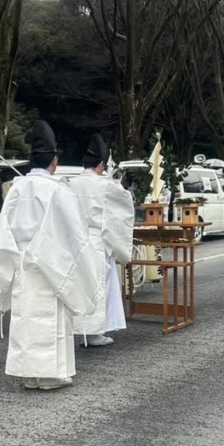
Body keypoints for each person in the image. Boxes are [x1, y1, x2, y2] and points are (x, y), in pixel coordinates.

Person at [0, 120, 99, 390]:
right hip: (52, 262)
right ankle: (51, 375)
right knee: (51, 319)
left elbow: (4, 233)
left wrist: (4, 271)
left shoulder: (16, 189)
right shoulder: (58, 190)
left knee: (26, 318)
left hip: (22, 263)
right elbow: (75, 235)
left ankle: (29, 374)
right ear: (55, 162)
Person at [70, 134, 135, 348]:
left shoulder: (71, 183)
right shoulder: (104, 185)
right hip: (97, 241)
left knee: (79, 285)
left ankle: (80, 330)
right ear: (101, 164)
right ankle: (95, 333)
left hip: (76, 240)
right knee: (98, 286)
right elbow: (122, 209)